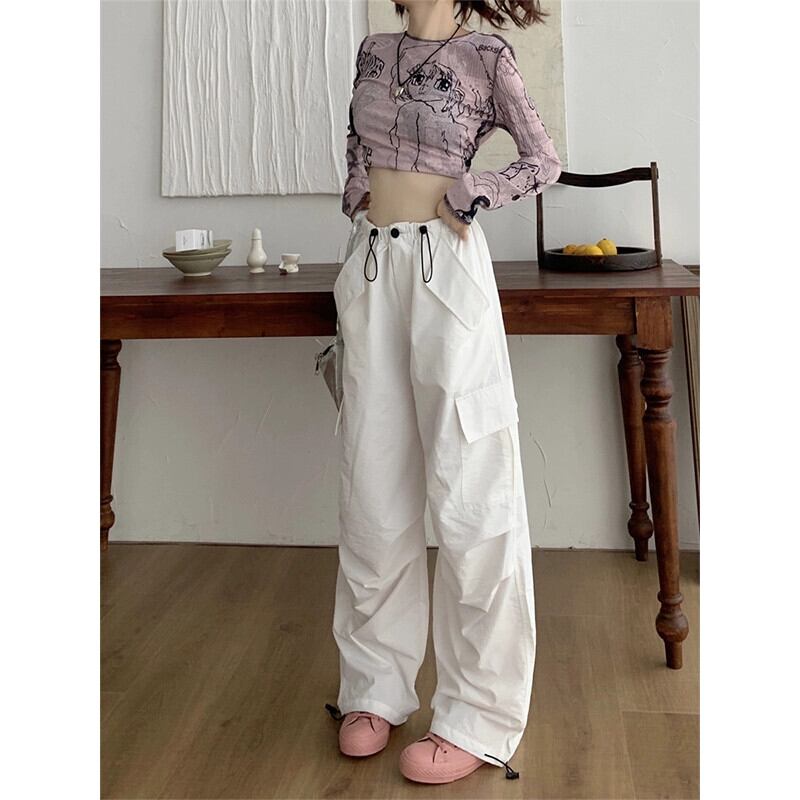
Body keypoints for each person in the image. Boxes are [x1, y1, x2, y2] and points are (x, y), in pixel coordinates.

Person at [328, 0, 562, 785]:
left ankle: (477, 715)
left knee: (471, 488)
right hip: (370, 268)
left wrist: (477, 191)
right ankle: (373, 687)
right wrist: (357, 190)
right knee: (371, 484)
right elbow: (358, 143)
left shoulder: (486, 57)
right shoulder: (373, 50)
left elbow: (542, 159)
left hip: (447, 274)